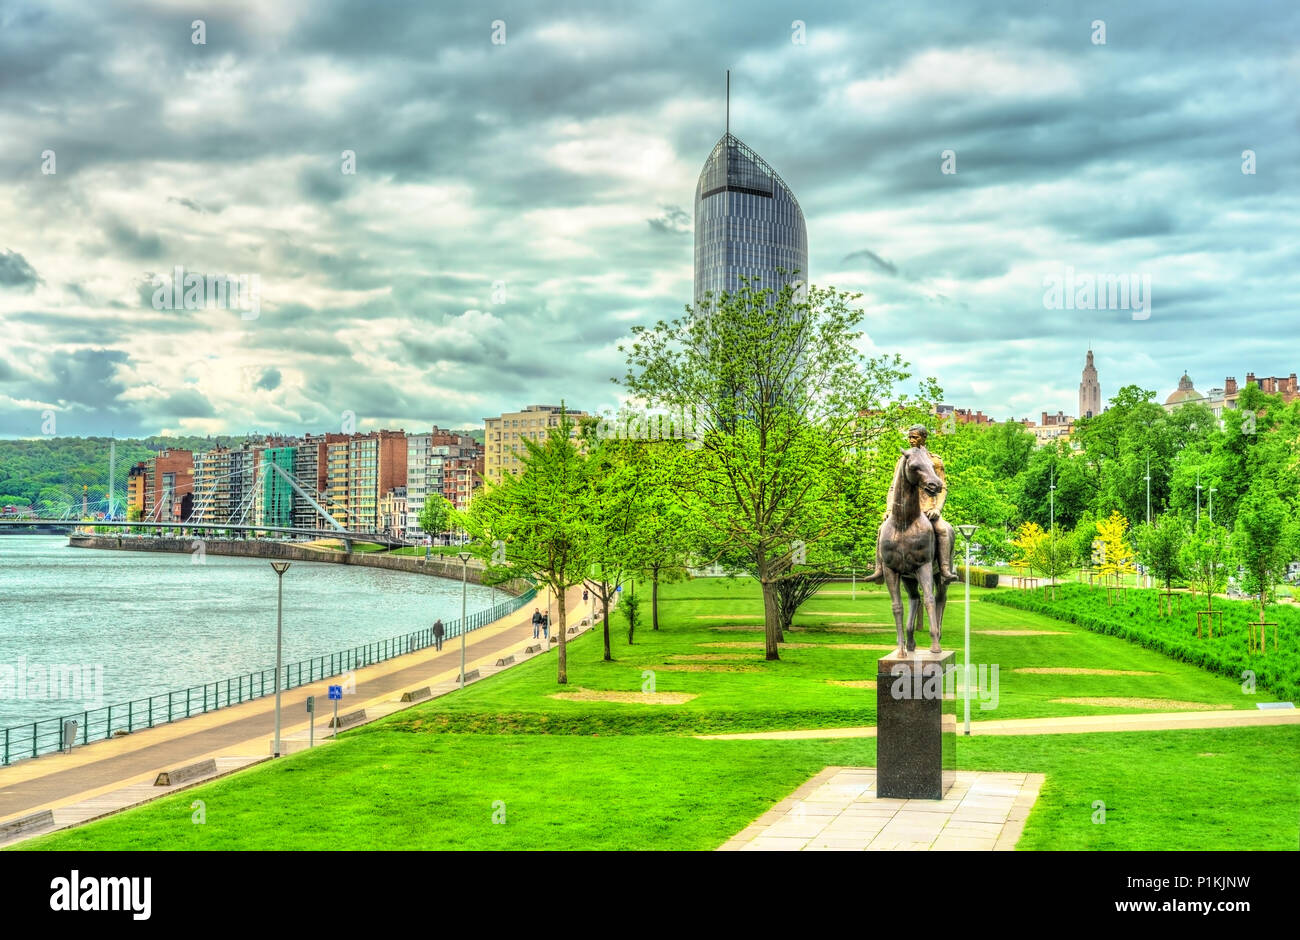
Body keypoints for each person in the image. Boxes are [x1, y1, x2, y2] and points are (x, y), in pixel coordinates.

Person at [863, 424, 959, 585]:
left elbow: (942, 488)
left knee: (943, 530)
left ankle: (945, 569)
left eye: (915, 437)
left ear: (924, 438)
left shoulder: (935, 461)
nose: (911, 440)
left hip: (928, 509)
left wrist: (937, 508)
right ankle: (879, 569)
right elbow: (893, 487)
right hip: (906, 510)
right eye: (909, 437)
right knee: (882, 529)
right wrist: (888, 509)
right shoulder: (903, 459)